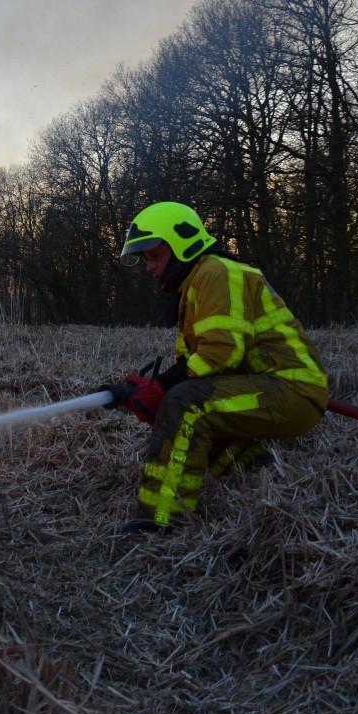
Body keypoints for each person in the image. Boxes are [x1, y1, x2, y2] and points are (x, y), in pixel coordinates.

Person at [103, 201, 329, 533]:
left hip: (291, 390)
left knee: (186, 405)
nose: (149, 267)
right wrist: (141, 393)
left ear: (181, 244)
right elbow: (194, 366)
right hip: (272, 387)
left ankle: (163, 520)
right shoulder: (197, 283)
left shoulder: (215, 273)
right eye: (145, 259)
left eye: (154, 255)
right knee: (182, 398)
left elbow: (222, 353)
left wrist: (163, 389)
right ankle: (252, 467)